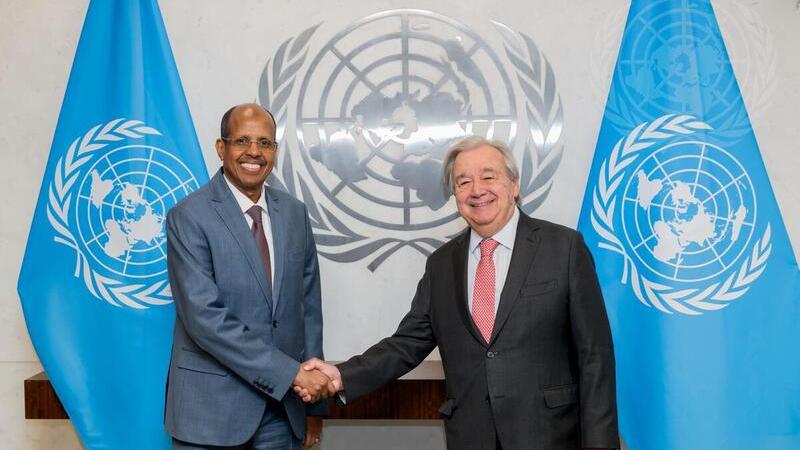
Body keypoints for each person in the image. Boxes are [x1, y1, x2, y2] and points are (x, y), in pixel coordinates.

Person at [298, 136, 619, 450]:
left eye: (488, 177)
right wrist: (340, 375)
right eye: (463, 182)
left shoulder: (563, 248)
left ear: (514, 185)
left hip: (550, 435)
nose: (477, 190)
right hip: (470, 435)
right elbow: (406, 344)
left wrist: (599, 444)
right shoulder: (441, 264)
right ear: (455, 195)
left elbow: (595, 356)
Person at [165, 103, 330, 449]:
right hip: (211, 412)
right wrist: (290, 375)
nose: (254, 152)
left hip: (282, 413)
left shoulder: (295, 214)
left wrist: (314, 402)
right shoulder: (189, 216)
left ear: (274, 150)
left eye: (265, 143)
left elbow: (308, 309)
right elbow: (204, 319)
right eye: (242, 140)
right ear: (221, 148)